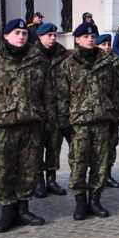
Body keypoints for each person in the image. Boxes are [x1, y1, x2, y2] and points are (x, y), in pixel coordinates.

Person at [0, 19, 54, 233]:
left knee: (28, 169)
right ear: (6, 36)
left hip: (32, 123)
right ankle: (7, 212)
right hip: (4, 126)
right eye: (16, 33)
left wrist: (49, 123)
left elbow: (48, 94)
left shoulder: (38, 61)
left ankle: (24, 209)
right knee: (3, 170)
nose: (21, 36)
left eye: (23, 32)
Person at [55, 23, 119, 219]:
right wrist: (64, 124)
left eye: (93, 36)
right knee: (79, 163)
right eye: (85, 36)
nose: (90, 39)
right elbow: (61, 96)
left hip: (102, 120)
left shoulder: (107, 63)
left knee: (100, 163)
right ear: (77, 39)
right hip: (79, 123)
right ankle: (80, 203)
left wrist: (115, 117)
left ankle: (95, 200)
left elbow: (115, 91)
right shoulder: (67, 65)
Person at [33, 23, 70, 199]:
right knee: (37, 145)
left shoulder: (63, 55)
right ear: (40, 37)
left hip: (58, 108)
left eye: (55, 35)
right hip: (37, 109)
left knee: (54, 146)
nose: (53, 38)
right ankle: (38, 180)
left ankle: (52, 179)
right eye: (49, 35)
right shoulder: (31, 55)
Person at [95, 34, 119, 189]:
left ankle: (108, 174)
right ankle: (95, 176)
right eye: (103, 45)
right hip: (96, 111)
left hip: (113, 110)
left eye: (108, 44)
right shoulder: (94, 62)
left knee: (111, 144)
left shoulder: (116, 61)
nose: (106, 47)